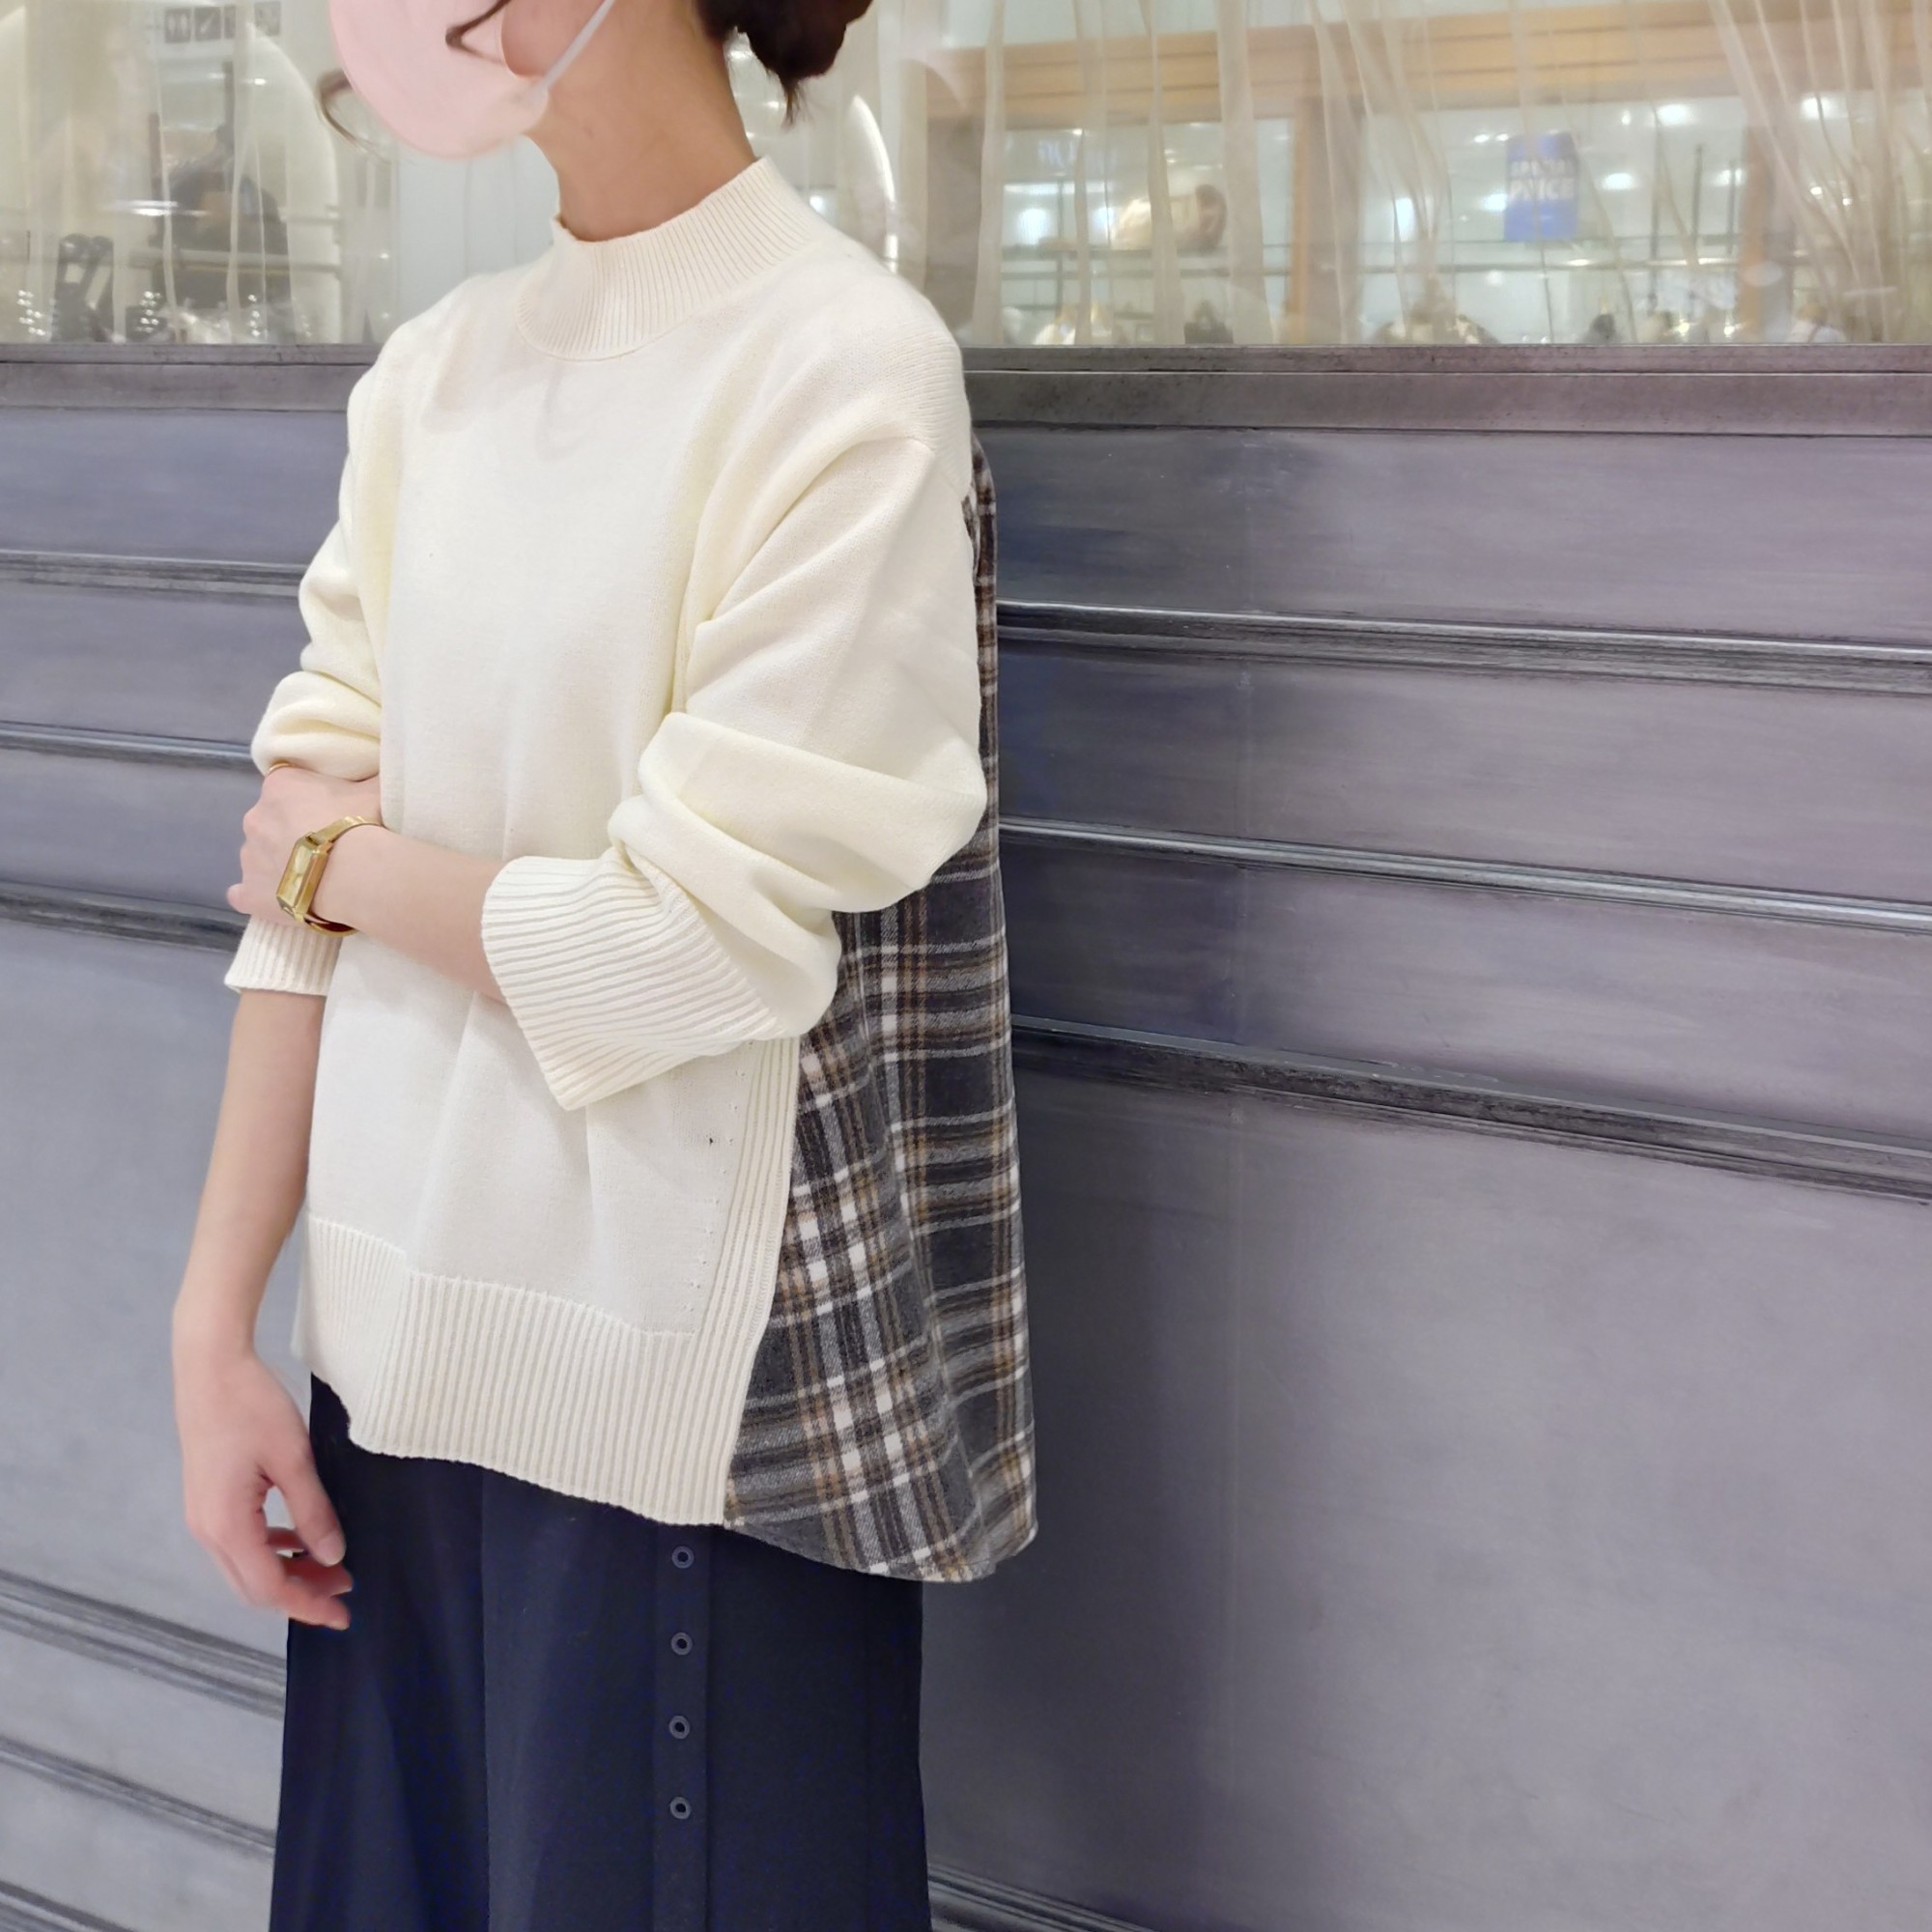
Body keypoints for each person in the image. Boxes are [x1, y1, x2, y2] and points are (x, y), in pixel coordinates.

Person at [168, 0, 1037, 1924]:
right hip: (385, 1400)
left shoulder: (842, 367)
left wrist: (345, 861)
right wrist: (215, 1329)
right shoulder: (433, 377)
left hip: (682, 1435)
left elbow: (684, 949)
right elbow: (291, 895)